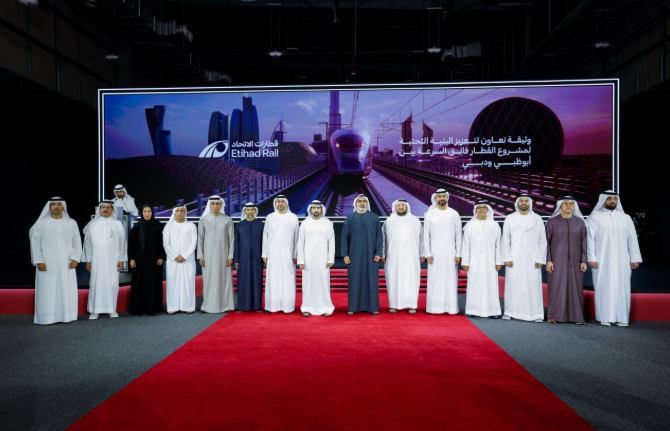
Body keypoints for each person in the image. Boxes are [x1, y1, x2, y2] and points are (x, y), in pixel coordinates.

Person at [587, 191, 642, 327]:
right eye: (609, 199)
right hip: (601, 259)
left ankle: (622, 318)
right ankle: (605, 317)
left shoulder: (625, 218)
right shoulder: (594, 217)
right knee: (604, 286)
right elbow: (589, 240)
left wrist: (634, 258)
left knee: (622, 287)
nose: (612, 201)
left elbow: (632, 239)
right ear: (603, 200)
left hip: (623, 259)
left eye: (614, 199)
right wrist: (591, 258)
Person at [29, 197, 82, 325]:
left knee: (66, 289)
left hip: (67, 263)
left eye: (59, 204)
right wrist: (38, 261)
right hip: (46, 263)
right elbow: (35, 244)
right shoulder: (41, 224)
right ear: (49, 207)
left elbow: (77, 241)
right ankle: (46, 317)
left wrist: (75, 258)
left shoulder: (71, 223)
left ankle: (67, 316)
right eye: (53, 204)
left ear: (63, 206)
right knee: (47, 290)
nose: (56, 206)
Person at [501, 195, 547, 322]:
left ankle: (536, 314)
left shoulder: (537, 219)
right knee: (513, 284)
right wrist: (506, 257)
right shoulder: (510, 218)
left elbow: (542, 241)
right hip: (514, 258)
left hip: (533, 258)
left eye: (526, 201)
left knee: (533, 285)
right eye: (521, 201)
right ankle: (509, 312)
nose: (523, 203)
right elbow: (505, 239)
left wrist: (540, 259)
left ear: (529, 203)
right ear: (517, 203)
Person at [545, 196, 588, 324]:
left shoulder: (580, 222)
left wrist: (584, 260)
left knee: (575, 288)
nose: (568, 206)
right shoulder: (552, 222)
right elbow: (546, 243)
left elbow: (584, 242)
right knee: (556, 287)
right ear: (560, 206)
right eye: (566, 203)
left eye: (571, 204)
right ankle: (554, 315)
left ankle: (576, 317)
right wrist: (548, 260)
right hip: (556, 260)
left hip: (576, 261)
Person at [82, 200, 127, 319]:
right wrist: (88, 260)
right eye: (103, 207)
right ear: (99, 209)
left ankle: (111, 309)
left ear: (112, 210)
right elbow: (87, 243)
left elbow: (122, 243)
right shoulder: (92, 224)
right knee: (95, 283)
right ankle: (94, 311)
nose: (105, 209)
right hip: (96, 260)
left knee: (112, 283)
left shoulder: (117, 224)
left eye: (108, 207)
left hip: (113, 260)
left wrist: (121, 259)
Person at [341, 194, 383, 315]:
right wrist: (345, 254)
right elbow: (344, 238)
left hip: (371, 255)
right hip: (354, 255)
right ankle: (353, 307)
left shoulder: (374, 218)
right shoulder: (349, 219)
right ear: (355, 203)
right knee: (355, 280)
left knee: (372, 280)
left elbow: (379, 237)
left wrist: (378, 253)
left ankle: (373, 307)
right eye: (359, 201)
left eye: (364, 201)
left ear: (367, 203)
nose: (362, 203)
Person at [422, 189, 462, 315]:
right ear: (436, 199)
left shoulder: (454, 214)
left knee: (451, 279)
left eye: (444, 196)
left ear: (447, 198)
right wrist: (427, 253)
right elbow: (426, 236)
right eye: (439, 197)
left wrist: (458, 253)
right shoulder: (430, 215)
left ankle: (451, 308)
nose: (441, 198)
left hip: (450, 252)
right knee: (435, 279)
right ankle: (433, 308)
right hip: (434, 253)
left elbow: (458, 235)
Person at [461, 200, 502, 318]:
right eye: (480, 208)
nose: (482, 210)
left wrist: (498, 261)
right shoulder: (469, 226)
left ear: (488, 210)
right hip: (474, 260)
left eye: (484, 207)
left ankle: (493, 311)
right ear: (476, 210)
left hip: (491, 261)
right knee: (474, 284)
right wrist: (465, 261)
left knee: (491, 285)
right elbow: (466, 245)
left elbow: (498, 245)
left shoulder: (494, 225)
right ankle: (472, 310)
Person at [382, 199, 423, 314]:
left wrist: (422, 253)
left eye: (402, 205)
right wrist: (383, 254)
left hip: (412, 256)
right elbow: (384, 239)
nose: (400, 207)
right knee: (393, 279)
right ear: (395, 207)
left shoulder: (415, 220)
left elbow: (422, 238)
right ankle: (394, 305)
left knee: (412, 279)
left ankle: (412, 305)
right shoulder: (389, 221)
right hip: (393, 256)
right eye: (398, 205)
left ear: (407, 207)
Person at [297, 200, 335, 317]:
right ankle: (307, 307)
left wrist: (330, 259)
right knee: (308, 282)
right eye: (314, 208)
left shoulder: (327, 223)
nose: (316, 210)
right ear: (310, 209)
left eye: (318, 208)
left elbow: (331, 242)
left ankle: (326, 307)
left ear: (322, 209)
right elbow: (300, 242)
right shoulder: (305, 223)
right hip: (308, 258)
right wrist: (301, 260)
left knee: (323, 281)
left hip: (323, 258)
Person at [262, 195, 299, 313]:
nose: (280, 203)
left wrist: (296, 254)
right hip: (272, 253)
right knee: (273, 278)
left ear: (287, 203)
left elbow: (297, 238)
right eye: (278, 201)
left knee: (288, 279)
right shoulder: (270, 217)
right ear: (275, 203)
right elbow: (265, 236)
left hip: (288, 253)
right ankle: (271, 306)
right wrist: (264, 254)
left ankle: (288, 306)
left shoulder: (293, 217)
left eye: (283, 201)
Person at [198, 196, 235, 314]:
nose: (215, 206)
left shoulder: (227, 219)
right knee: (209, 280)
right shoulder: (203, 220)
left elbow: (231, 239)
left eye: (217, 204)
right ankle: (207, 306)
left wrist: (230, 256)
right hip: (208, 256)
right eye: (212, 204)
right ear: (210, 205)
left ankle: (226, 305)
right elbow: (200, 239)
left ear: (221, 205)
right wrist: (200, 256)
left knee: (224, 280)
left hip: (223, 255)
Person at [128, 205, 165, 316]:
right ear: (142, 213)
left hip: (154, 259)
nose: (147, 213)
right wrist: (132, 258)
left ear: (152, 213)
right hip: (139, 259)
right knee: (139, 282)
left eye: (149, 211)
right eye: (145, 211)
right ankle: (139, 309)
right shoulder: (136, 227)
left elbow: (161, 243)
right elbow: (132, 244)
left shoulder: (158, 226)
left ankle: (152, 308)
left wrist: (161, 256)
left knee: (152, 282)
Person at [163, 205, 197, 314]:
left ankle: (188, 306)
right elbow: (166, 243)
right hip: (173, 260)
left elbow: (193, 242)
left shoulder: (191, 226)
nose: (179, 212)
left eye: (182, 211)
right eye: (177, 210)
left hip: (187, 260)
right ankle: (173, 307)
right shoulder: (168, 226)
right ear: (174, 213)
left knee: (188, 282)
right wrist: (174, 256)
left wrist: (184, 256)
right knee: (173, 283)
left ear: (185, 212)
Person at [234, 202, 265, 313]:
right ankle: (243, 306)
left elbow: (264, 242)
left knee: (257, 281)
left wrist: (264, 256)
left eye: (252, 210)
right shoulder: (239, 225)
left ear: (255, 211)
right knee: (243, 281)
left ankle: (257, 306)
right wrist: (236, 259)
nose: (250, 212)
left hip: (257, 257)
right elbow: (236, 243)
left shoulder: (261, 225)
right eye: (248, 210)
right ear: (245, 211)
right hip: (243, 257)